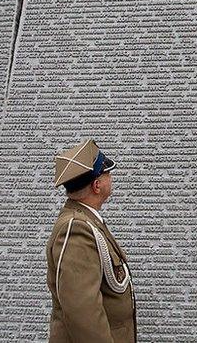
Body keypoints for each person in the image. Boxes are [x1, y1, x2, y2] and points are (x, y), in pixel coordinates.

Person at [46, 139, 136, 343]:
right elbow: (82, 312)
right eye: (107, 174)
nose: (111, 178)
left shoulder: (87, 221)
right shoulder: (77, 229)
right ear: (97, 185)